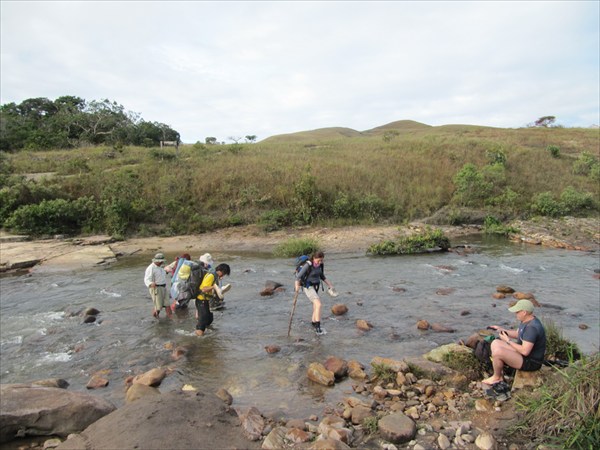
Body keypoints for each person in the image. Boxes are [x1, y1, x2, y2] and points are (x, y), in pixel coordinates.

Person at [482, 299, 546, 385]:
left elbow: (525, 351)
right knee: (495, 343)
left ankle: (497, 377)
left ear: (524, 312)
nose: (515, 314)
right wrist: (501, 330)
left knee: (498, 352)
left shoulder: (532, 328)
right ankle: (500, 371)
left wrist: (508, 341)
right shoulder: (526, 321)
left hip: (531, 362)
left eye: (517, 312)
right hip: (523, 356)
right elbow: (518, 334)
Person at [294, 251, 336, 335]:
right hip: (308, 287)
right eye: (319, 260)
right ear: (314, 258)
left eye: (322, 260)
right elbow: (298, 277)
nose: (320, 262)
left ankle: (313, 322)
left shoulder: (320, 265)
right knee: (319, 304)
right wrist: (297, 288)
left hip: (316, 287)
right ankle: (318, 327)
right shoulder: (308, 265)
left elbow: (322, 276)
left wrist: (330, 285)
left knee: (315, 305)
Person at [195, 263, 231, 336]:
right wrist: (214, 287)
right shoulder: (211, 276)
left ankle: (207, 336)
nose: (223, 276)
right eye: (224, 274)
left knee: (209, 319)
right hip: (201, 300)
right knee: (203, 321)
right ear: (221, 271)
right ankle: (199, 337)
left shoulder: (214, 275)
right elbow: (203, 289)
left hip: (205, 300)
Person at [144, 252, 172, 319]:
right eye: (160, 261)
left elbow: (162, 274)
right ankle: (155, 319)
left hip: (163, 287)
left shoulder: (160, 267)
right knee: (158, 307)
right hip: (156, 288)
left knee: (167, 305)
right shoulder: (151, 268)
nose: (161, 262)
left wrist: (166, 272)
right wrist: (150, 283)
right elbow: (146, 279)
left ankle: (171, 320)